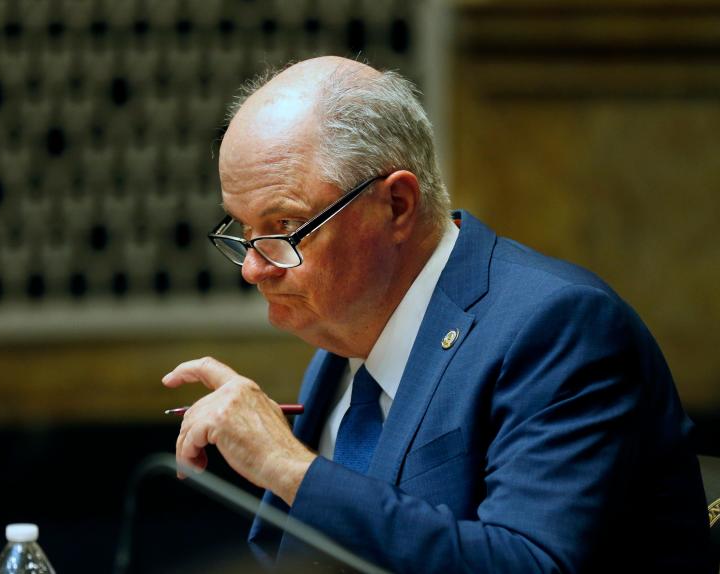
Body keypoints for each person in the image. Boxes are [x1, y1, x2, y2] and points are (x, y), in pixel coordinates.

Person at [161, 56, 713, 572]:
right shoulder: (343, 342)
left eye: (284, 228)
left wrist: (286, 466)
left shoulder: (560, 328)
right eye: (242, 231)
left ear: (396, 206)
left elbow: (530, 563)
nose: (253, 269)